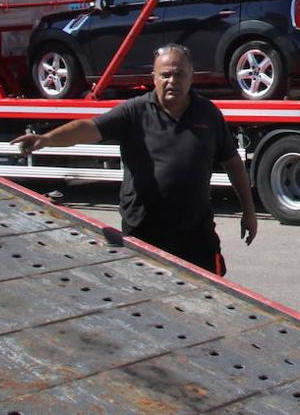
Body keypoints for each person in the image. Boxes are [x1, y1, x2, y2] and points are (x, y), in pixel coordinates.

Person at [16, 44, 258, 274]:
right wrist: (46, 139)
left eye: (180, 74)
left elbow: (233, 163)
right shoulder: (134, 112)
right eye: (165, 75)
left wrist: (249, 211)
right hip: (144, 233)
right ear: (154, 77)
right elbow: (87, 128)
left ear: (191, 76)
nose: (172, 81)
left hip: (195, 233)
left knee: (210, 299)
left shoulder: (208, 113)